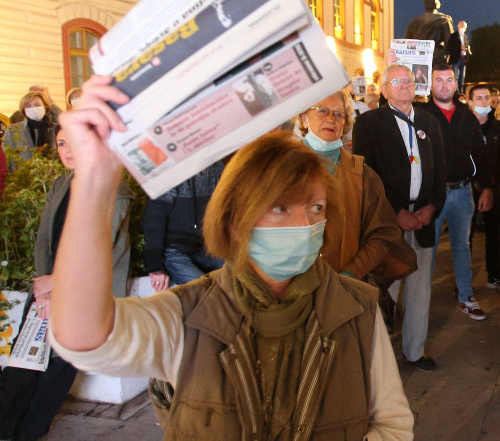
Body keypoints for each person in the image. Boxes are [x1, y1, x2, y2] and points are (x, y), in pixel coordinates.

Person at [49, 78, 414, 438]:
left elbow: (393, 424)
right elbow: (87, 339)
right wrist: (96, 177)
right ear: (237, 221)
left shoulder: (358, 310)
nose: (304, 224)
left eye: (316, 207)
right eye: (280, 207)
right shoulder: (189, 315)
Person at [0, 125, 132, 440]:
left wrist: (57, 283)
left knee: (60, 364)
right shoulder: (62, 183)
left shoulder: (113, 188)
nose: (67, 150)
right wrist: (44, 284)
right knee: (25, 358)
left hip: (86, 291)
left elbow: (103, 247)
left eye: (74, 142)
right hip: (48, 285)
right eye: (61, 143)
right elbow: (44, 238)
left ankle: (30, 431)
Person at [353, 63, 447, 373]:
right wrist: (396, 212)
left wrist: (431, 206)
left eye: (408, 80)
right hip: (387, 221)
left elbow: (439, 171)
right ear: (384, 89)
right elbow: (368, 174)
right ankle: (377, 355)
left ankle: (414, 351)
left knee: (420, 288)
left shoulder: (430, 122)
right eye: (396, 81)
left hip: (422, 219)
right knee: (384, 286)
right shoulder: (369, 123)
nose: (404, 85)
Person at [298, 89, 415, 286]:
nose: (330, 119)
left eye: (338, 114)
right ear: (303, 119)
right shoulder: (280, 168)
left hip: (345, 287)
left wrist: (352, 273)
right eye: (322, 111)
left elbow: (383, 233)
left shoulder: (363, 175)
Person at [414, 64, 494, 319]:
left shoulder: (465, 114)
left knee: (462, 246)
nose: (445, 84)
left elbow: (479, 153)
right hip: (431, 195)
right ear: (431, 84)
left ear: (456, 84)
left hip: (463, 192)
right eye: (439, 80)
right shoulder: (420, 112)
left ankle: (466, 296)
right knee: (428, 248)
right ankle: (418, 299)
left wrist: (487, 187)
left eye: (449, 79)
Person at [141, 160, 226, 289]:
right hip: (175, 251)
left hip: (207, 248)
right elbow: (153, 221)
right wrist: (155, 267)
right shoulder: (170, 173)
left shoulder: (216, 167)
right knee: (205, 290)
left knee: (243, 279)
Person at [468, 84, 500, 289]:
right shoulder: (463, 127)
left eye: (486, 98)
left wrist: (491, 185)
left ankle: (494, 274)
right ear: (470, 102)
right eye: (479, 98)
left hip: (494, 188)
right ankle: (464, 279)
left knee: (494, 233)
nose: (484, 102)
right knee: (465, 236)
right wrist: (475, 183)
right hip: (468, 188)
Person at [4, 91, 59, 171]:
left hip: (53, 178)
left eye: (37, 105)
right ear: (24, 110)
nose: (33, 108)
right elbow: (6, 159)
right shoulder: (13, 130)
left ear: (45, 106)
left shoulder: (55, 129)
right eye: (28, 106)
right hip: (23, 179)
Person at [404, 0, 454, 65]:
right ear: (437, 5)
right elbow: (450, 42)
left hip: (418, 57)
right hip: (437, 58)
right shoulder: (444, 20)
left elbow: (407, 41)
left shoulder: (414, 21)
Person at [447, 20, 472, 90]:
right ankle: (456, 92)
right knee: (456, 76)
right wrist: (460, 48)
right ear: (458, 26)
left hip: (463, 59)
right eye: (462, 26)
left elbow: (466, 46)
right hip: (456, 59)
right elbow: (449, 47)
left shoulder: (465, 36)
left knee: (462, 76)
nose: (463, 27)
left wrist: (467, 49)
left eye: (464, 26)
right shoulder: (453, 36)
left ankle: (461, 91)